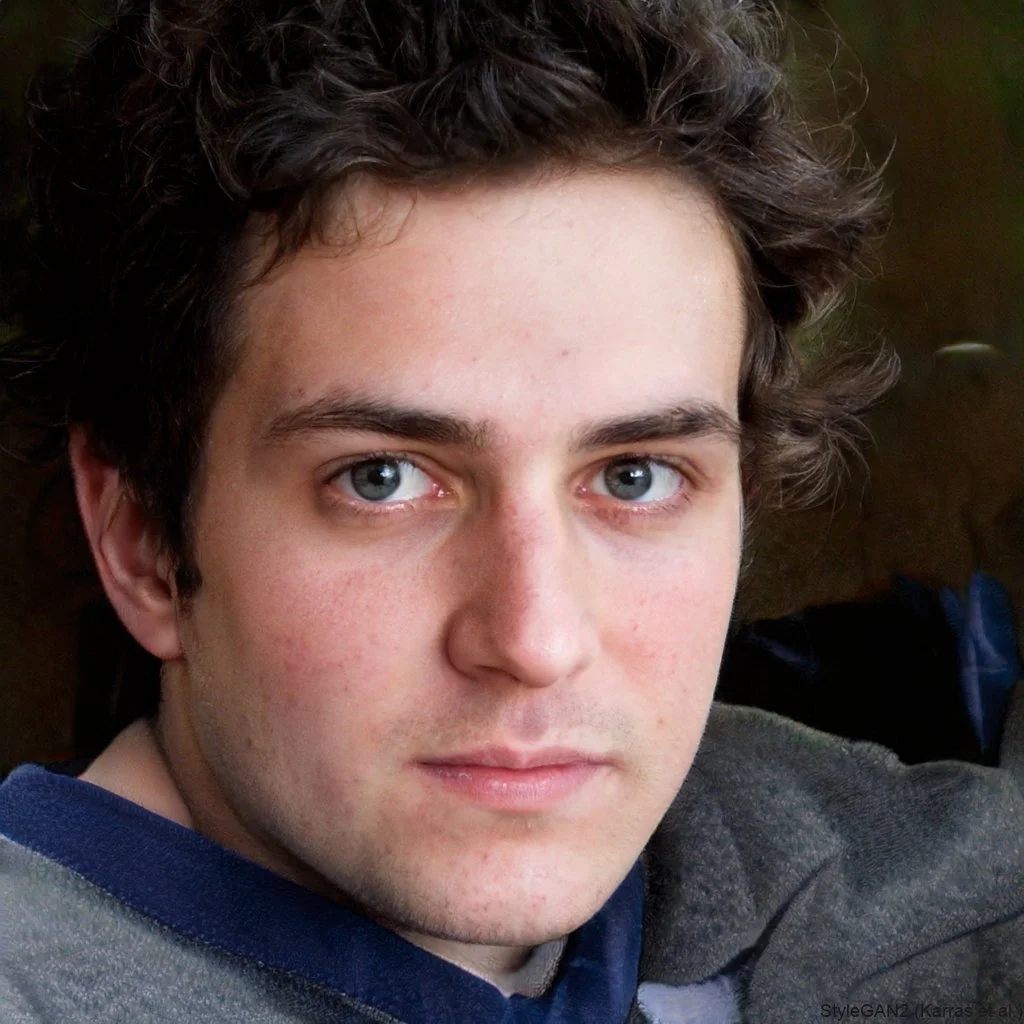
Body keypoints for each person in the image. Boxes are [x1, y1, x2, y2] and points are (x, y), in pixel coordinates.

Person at [0, 0, 1021, 1021]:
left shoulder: (922, 898)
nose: (536, 641)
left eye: (635, 477)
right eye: (382, 479)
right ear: (143, 541)